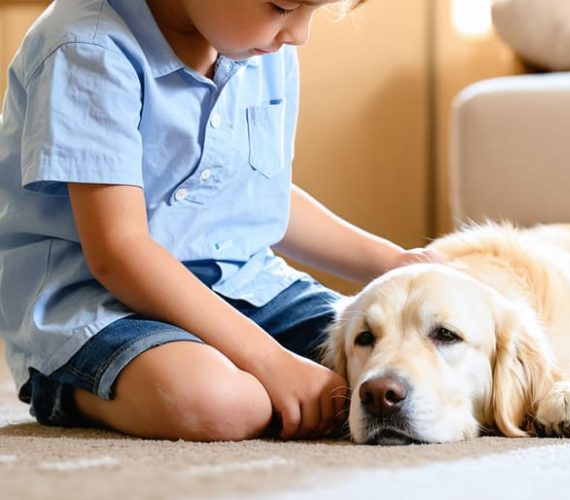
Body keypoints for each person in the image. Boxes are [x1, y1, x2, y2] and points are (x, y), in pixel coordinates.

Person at [0, 0, 442, 442]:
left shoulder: (261, 50)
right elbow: (119, 251)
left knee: (380, 362)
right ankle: (68, 387)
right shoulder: (87, 46)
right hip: (100, 307)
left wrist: (392, 262)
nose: (299, 34)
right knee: (226, 405)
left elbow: (260, 198)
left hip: (241, 286)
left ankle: (227, 362)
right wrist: (269, 361)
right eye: (283, 7)